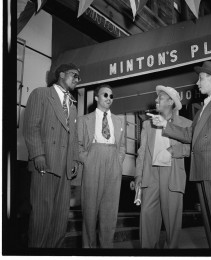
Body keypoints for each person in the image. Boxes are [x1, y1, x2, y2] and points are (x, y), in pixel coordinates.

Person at [152, 61, 211, 248]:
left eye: (201, 78)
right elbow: (190, 135)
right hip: (203, 169)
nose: (197, 83)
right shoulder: (203, 108)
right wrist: (165, 125)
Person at [23, 63, 81, 248]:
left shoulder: (72, 105)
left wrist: (75, 160)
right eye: (74, 75)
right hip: (45, 164)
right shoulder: (41, 94)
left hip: (64, 169)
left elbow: (74, 136)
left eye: (78, 77)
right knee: (41, 216)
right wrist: (38, 154)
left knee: (60, 218)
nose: (77, 80)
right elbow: (31, 127)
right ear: (61, 75)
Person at [135, 86, 192, 248]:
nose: (155, 100)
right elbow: (142, 152)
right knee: (146, 217)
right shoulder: (147, 124)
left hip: (172, 174)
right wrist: (138, 176)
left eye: (160, 97)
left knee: (172, 223)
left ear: (170, 102)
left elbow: (194, 148)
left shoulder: (186, 124)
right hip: (150, 174)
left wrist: (173, 150)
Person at [78, 84, 126, 248]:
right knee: (89, 212)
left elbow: (123, 146)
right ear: (97, 98)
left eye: (111, 96)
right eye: (105, 95)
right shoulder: (85, 119)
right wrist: (88, 160)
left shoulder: (119, 120)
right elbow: (78, 145)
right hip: (93, 159)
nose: (109, 99)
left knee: (110, 212)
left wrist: (119, 162)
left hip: (113, 162)